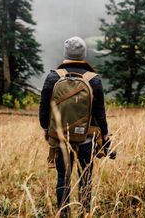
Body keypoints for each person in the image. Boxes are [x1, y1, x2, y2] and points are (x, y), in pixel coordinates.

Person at [39, 36, 114, 217]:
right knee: (85, 178)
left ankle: (63, 214)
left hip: (60, 139)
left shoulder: (52, 77)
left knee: (63, 178)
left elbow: (43, 111)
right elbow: (100, 114)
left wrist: (47, 129)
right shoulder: (93, 80)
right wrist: (104, 136)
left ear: (66, 54)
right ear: (83, 54)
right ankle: (85, 213)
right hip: (86, 140)